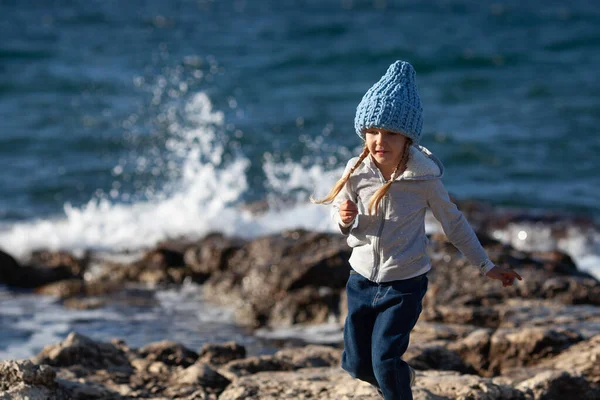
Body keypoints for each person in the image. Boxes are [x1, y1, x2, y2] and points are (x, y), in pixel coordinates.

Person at [311, 60, 522, 400]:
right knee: (356, 365)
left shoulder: (424, 179)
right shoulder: (356, 170)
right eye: (373, 130)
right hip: (361, 280)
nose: (380, 140)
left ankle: (396, 382)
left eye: (391, 132)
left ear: (407, 137)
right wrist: (344, 218)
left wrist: (487, 266)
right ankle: (402, 377)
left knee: (383, 361)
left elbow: (454, 223)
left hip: (404, 285)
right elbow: (342, 215)